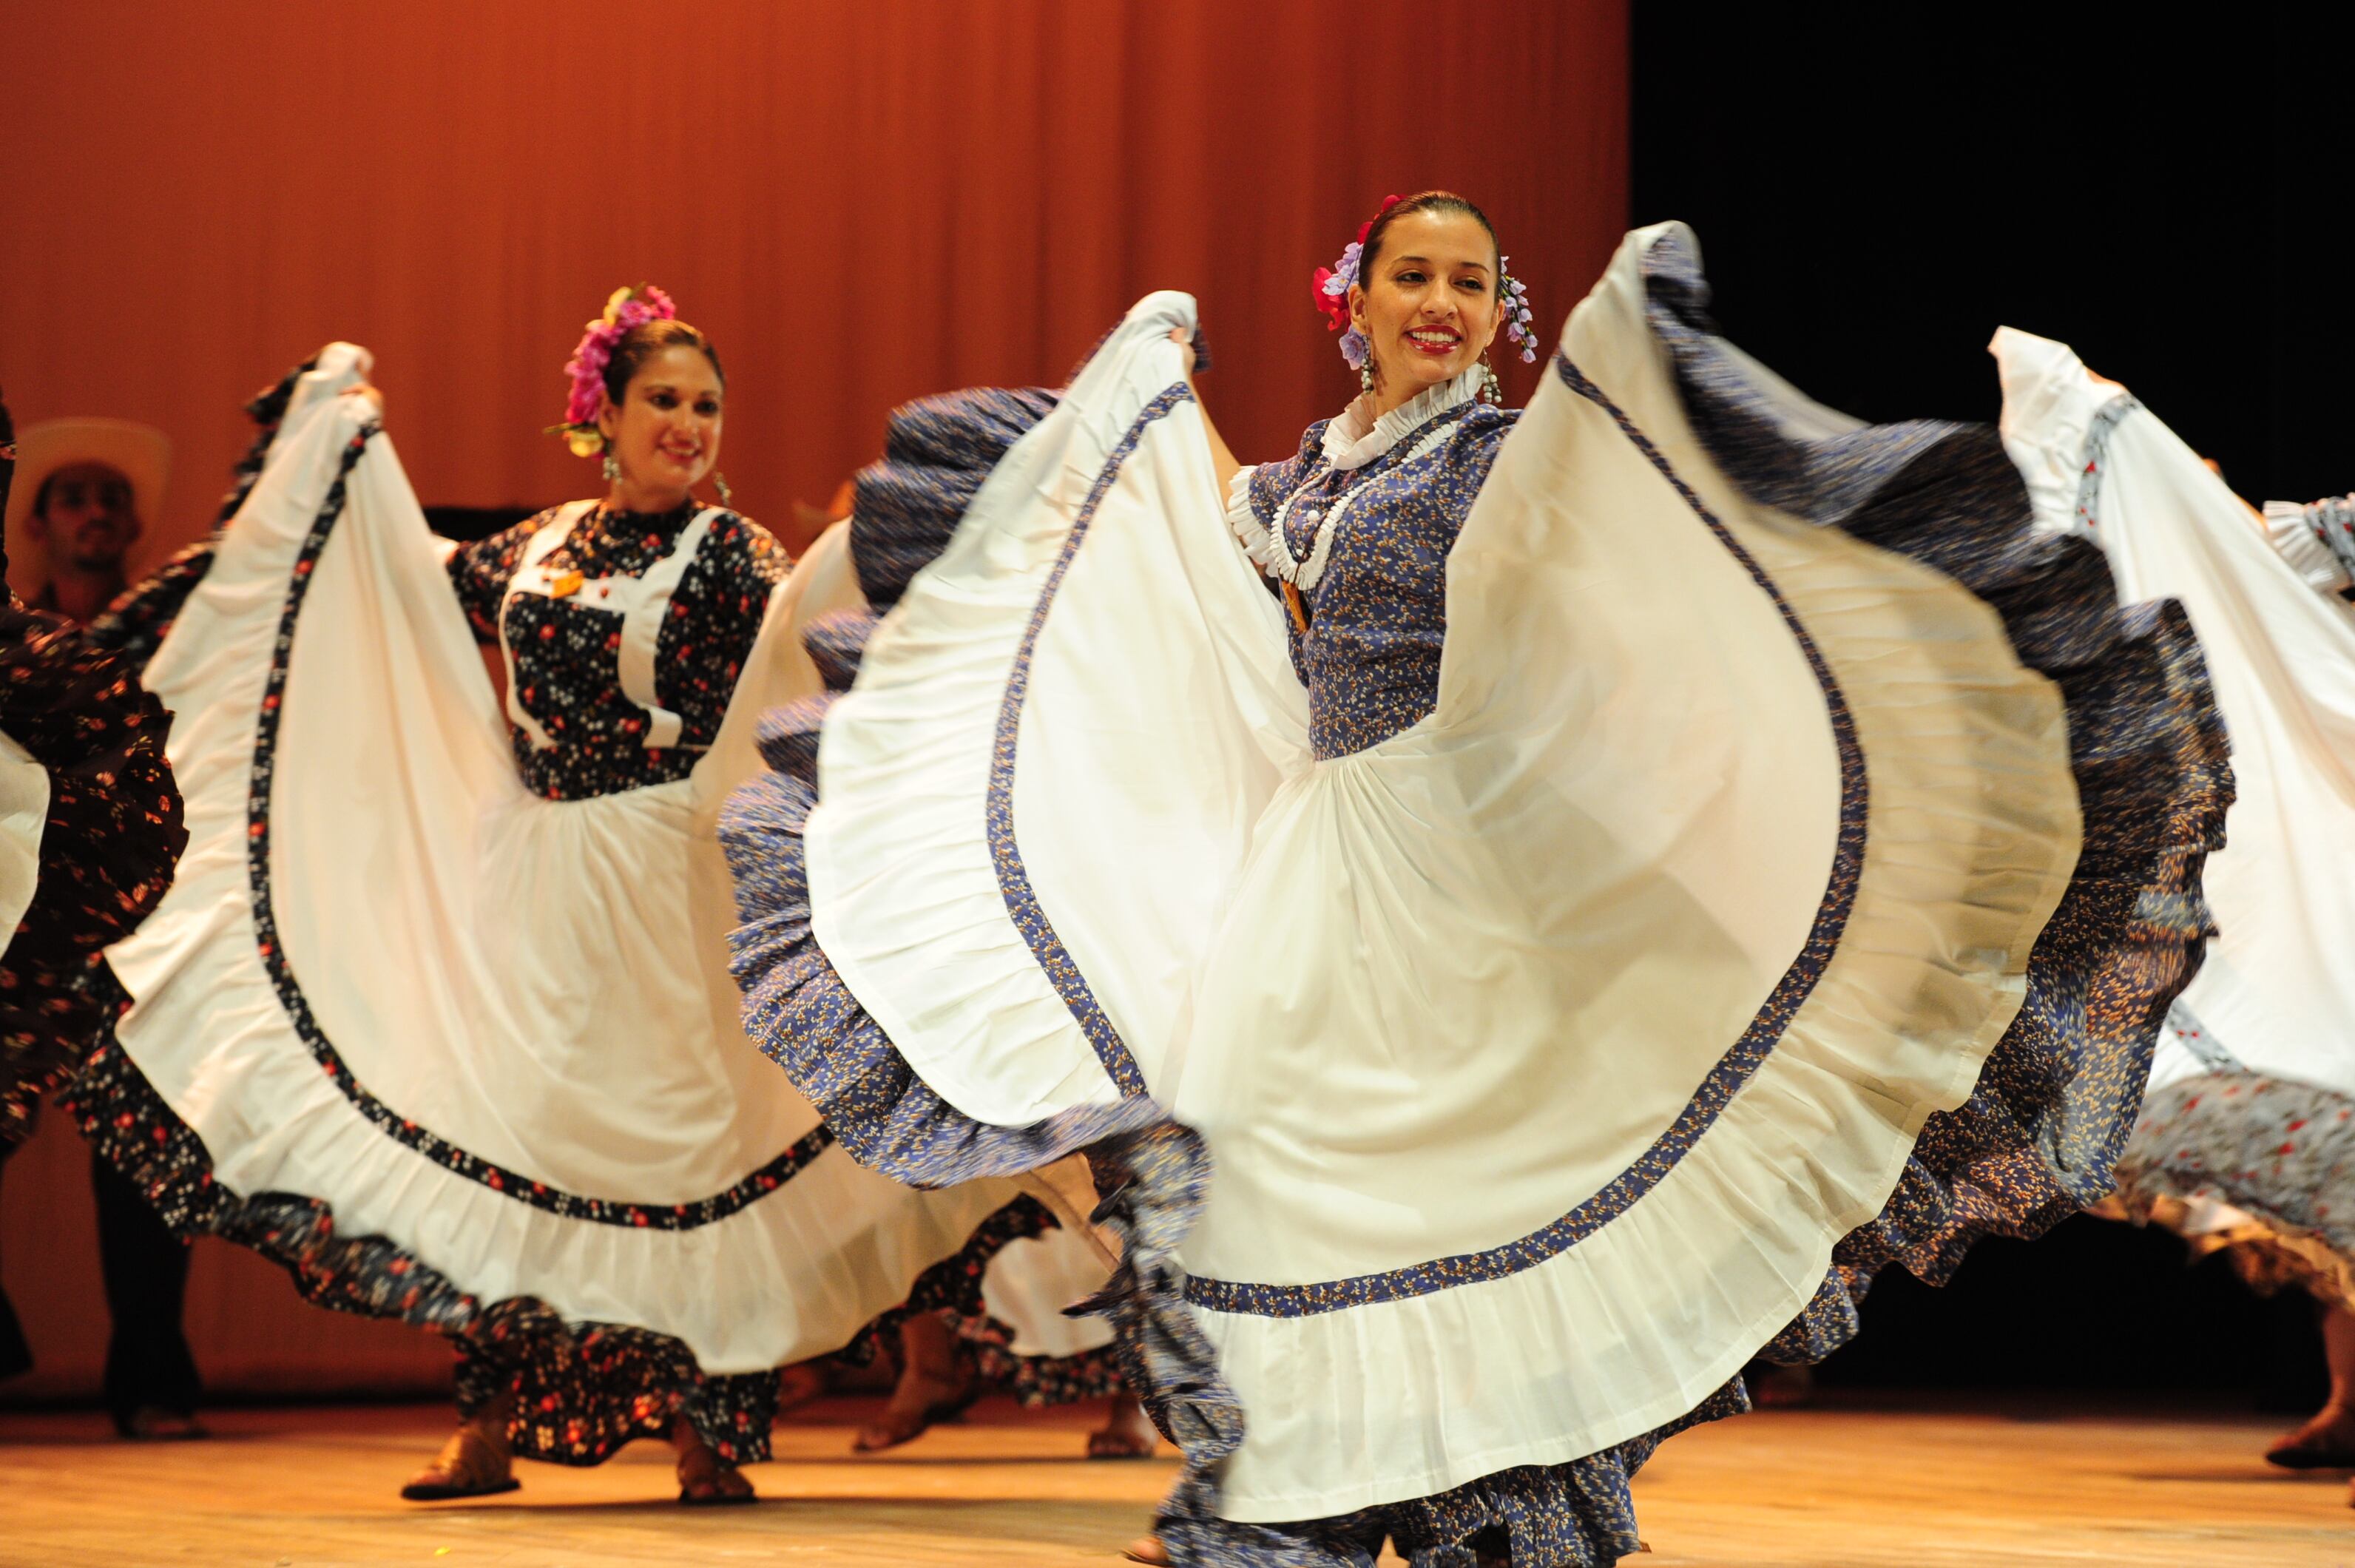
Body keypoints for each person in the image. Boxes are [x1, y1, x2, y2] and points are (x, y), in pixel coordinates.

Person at [722, 196, 2227, 1564]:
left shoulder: (1496, 456)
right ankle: (1297, 1487)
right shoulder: (1304, 474)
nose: (1439, 303)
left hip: (1459, 852)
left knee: (1458, 1180)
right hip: (1316, 855)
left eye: (1468, 282)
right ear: (1356, 301)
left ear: (1497, 311)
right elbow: (1197, 542)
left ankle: (1498, 1497)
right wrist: (1141, 389)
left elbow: (1606, 572)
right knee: (1286, 1183)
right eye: (1412, 277)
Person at [67, 288, 1033, 1506]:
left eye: (707, 406)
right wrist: (345, 452)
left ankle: (702, 1427)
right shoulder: (539, 545)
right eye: (664, 400)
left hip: (665, 880)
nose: (688, 425)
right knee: (511, 1138)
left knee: (679, 1147)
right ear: (604, 418)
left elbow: (811, 623)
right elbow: (402, 577)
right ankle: (484, 1423)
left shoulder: (732, 555)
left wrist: (907, 537)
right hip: (532, 879)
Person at [1993, 333, 2355, 1493]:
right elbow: (2275, 563)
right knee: (2323, 1055)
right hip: (2321, 792)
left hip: (2332, 771)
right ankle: (2352, 1398)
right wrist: (2199, 508)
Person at [0, 413, 200, 1440]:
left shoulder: (172, 632)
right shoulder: (15, 637)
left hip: (134, 920)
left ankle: (153, 1377)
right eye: (74, 497)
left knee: (142, 1150)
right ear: (37, 522)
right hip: (19, 914)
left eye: (110, 499)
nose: (95, 513)